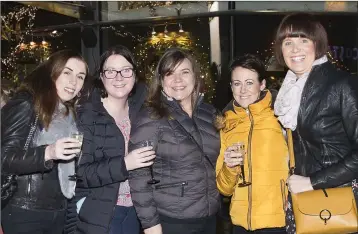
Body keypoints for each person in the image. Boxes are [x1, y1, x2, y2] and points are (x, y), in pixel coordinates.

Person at [273, 13, 358, 233]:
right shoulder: (289, 90)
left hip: (339, 196)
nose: (295, 49)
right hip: (303, 196)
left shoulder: (341, 84)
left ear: (317, 45)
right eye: (288, 42)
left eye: (304, 40)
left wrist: (312, 181)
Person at [128, 48, 221, 234]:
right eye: (170, 73)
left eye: (184, 72)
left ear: (195, 77)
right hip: (172, 221)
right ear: (161, 81)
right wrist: (150, 225)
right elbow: (139, 175)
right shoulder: (151, 116)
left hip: (210, 217)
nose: (177, 80)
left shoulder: (209, 113)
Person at [64, 45, 154, 234]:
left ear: (135, 75)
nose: (119, 77)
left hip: (135, 211)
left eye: (126, 70)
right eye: (111, 71)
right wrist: (125, 164)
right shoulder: (87, 116)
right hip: (100, 214)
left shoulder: (142, 112)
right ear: (102, 77)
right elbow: (79, 173)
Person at [1, 49, 88, 234]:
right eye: (67, 72)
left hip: (58, 209)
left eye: (81, 76)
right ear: (52, 73)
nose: (74, 81)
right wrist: (48, 152)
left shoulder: (68, 113)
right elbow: (5, 158)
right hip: (25, 209)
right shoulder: (26, 103)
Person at [215, 54, 288, 234]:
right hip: (240, 224)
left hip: (278, 220)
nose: (243, 90)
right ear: (231, 86)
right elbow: (224, 188)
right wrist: (229, 166)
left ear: (262, 84)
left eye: (249, 82)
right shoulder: (226, 123)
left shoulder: (282, 115)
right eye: (237, 83)